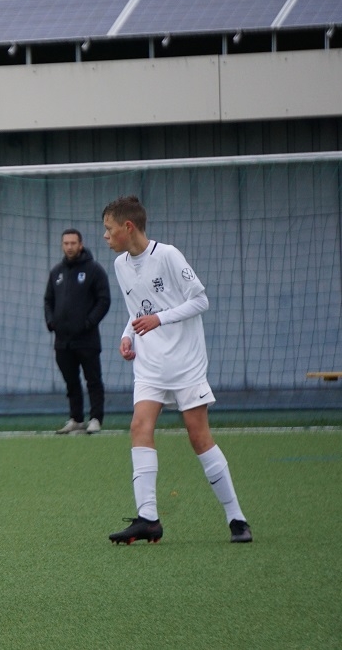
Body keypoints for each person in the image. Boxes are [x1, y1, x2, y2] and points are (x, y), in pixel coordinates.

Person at [101, 195, 252, 545]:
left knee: (198, 437)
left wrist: (159, 319)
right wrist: (128, 336)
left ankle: (237, 518)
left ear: (128, 227)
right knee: (139, 426)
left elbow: (200, 300)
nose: (105, 236)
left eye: (109, 229)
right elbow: (137, 309)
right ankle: (148, 519)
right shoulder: (120, 264)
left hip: (185, 363)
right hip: (150, 364)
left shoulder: (168, 255)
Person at [44, 228, 111, 435]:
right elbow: (48, 300)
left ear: (80, 245)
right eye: (66, 243)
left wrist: (89, 322)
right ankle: (76, 419)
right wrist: (51, 322)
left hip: (87, 339)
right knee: (71, 381)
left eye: (73, 243)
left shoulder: (94, 270)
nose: (69, 247)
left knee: (93, 380)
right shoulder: (57, 272)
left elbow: (104, 300)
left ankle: (96, 418)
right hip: (63, 341)